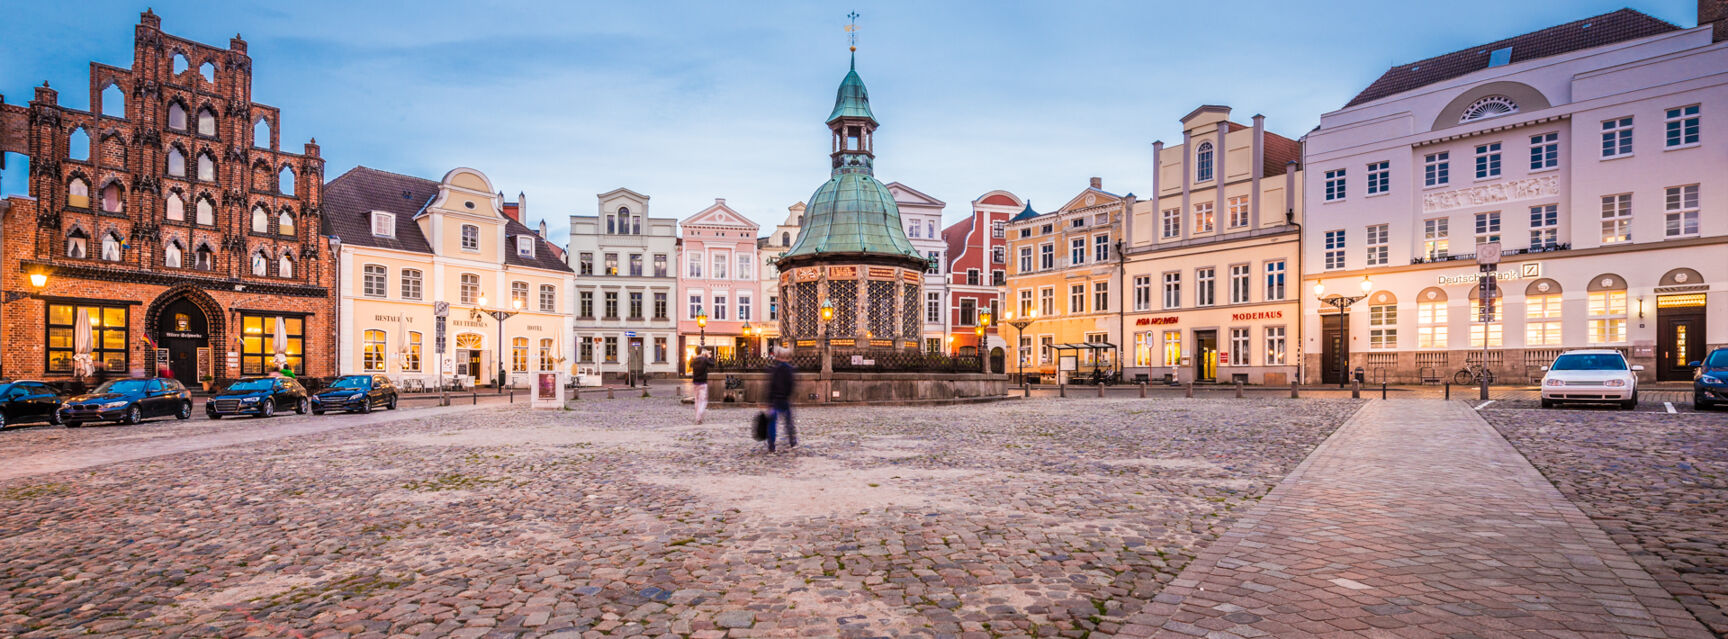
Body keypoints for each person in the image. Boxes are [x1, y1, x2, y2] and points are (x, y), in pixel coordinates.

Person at [764, 346, 797, 453]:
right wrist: (787, 395)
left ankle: (771, 445)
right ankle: (792, 441)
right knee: (788, 421)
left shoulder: (775, 369)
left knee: (772, 423)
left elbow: (771, 385)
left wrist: (769, 400)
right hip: (784, 399)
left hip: (775, 400)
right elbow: (791, 385)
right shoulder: (789, 369)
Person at [690, 349, 711, 425]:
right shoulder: (704, 359)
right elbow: (712, 364)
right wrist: (708, 356)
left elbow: (690, 365)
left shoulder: (694, 359)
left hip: (695, 382)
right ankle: (699, 416)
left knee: (697, 400)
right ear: (701, 351)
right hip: (702, 382)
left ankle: (697, 417)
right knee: (703, 400)